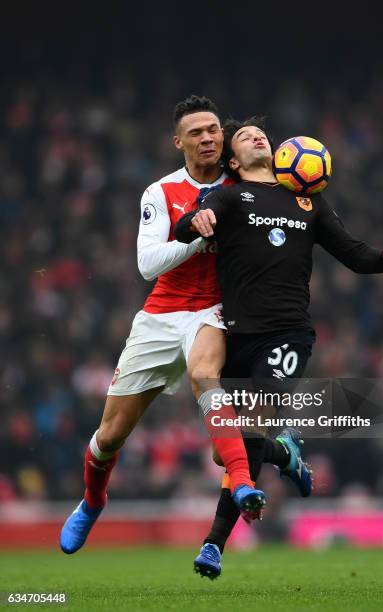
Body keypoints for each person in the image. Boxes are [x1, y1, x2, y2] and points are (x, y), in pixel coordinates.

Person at [175, 117, 383, 578]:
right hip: (235, 338)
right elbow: (185, 229)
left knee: (249, 430)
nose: (256, 136)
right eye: (245, 136)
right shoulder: (229, 196)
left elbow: (355, 254)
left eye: (260, 134)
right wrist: (197, 219)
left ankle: (213, 544)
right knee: (225, 451)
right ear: (233, 160)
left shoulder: (309, 202)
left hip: (286, 335)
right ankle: (284, 454)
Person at [59, 97, 267, 555]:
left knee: (205, 375)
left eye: (213, 129)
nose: (208, 137)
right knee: (110, 436)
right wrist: (194, 232)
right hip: (160, 315)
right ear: (179, 142)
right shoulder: (161, 191)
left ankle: (244, 485)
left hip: (213, 311)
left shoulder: (242, 185)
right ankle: (93, 501)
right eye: (196, 133)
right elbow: (148, 264)